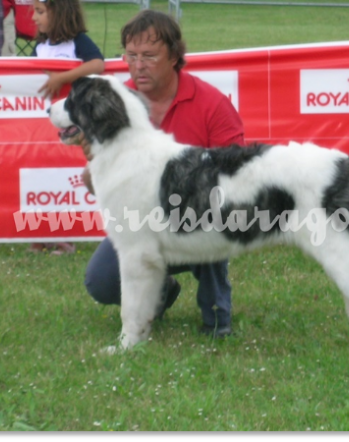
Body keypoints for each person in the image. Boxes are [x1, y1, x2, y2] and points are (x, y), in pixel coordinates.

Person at [83, 10, 245, 338]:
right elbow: (95, 186)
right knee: (100, 282)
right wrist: (94, 162)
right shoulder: (114, 105)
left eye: (149, 56)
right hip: (140, 225)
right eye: (131, 56)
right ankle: (161, 291)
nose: (137, 65)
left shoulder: (212, 105)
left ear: (173, 56)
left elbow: (237, 178)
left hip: (202, 216)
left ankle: (216, 315)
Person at [29, 0, 105, 254]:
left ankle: (66, 236)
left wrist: (62, 77)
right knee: (39, 181)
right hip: (42, 126)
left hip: (71, 128)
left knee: (64, 182)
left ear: (59, 12)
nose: (33, 18)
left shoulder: (77, 43)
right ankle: (39, 234)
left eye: (40, 12)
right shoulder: (39, 48)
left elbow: (97, 64)